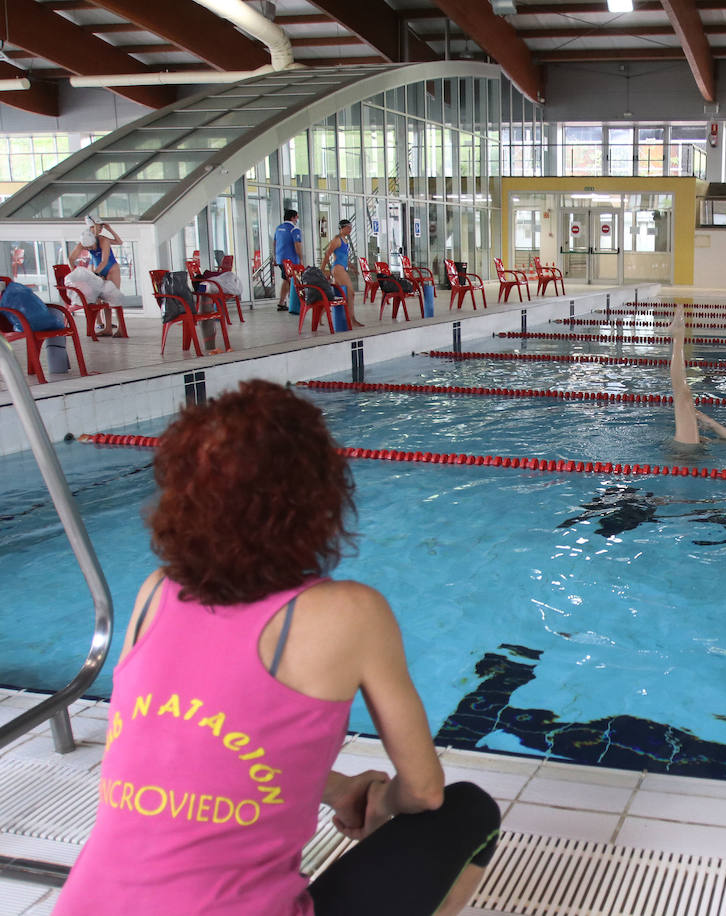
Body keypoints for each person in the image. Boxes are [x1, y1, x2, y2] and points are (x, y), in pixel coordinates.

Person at [54, 381, 499, 916]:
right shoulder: (347, 613)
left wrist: (336, 788)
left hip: (87, 905)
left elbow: (195, 754)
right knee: (469, 811)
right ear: (319, 499)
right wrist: (381, 799)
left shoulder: (155, 593)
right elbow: (425, 791)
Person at [670, 303, 726, 445]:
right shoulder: (705, 443)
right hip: (689, 454)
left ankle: (678, 337)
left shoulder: (694, 446)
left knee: (683, 395)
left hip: (685, 455)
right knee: (684, 396)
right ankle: (678, 335)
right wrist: (710, 422)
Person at [69, 218, 124, 336]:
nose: (90, 249)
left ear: (94, 240)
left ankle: (121, 328)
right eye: (87, 248)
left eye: (91, 247)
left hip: (111, 269)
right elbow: (71, 258)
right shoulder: (83, 241)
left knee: (114, 297)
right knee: (103, 298)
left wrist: (92, 276)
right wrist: (74, 272)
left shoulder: (103, 240)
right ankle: (107, 328)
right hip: (97, 270)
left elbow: (104, 261)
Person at [321, 219, 364, 329]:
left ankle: (319, 317)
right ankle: (352, 319)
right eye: (348, 227)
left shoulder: (345, 240)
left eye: (351, 227)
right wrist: (322, 270)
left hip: (341, 268)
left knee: (334, 296)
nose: (350, 229)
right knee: (351, 293)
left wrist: (353, 267)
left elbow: (343, 257)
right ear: (342, 228)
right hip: (338, 269)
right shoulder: (337, 239)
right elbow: (327, 254)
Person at [275, 209, 304, 311]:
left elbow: (275, 243)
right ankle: (295, 305)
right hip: (291, 260)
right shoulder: (294, 229)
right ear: (292, 218)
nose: (297, 219)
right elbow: (297, 245)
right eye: (296, 217)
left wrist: (275, 257)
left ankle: (282, 303)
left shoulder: (278, 228)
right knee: (293, 281)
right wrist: (301, 258)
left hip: (280, 259)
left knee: (286, 280)